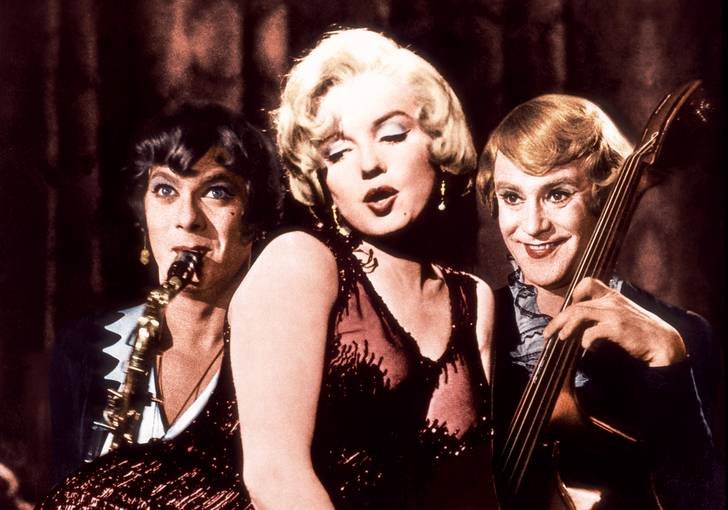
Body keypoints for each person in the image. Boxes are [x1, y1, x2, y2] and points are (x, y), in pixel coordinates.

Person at [228, 28, 498, 509]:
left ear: (437, 143)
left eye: (392, 135)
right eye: (338, 152)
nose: (369, 164)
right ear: (321, 177)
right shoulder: (300, 263)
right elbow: (274, 476)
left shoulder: (473, 300)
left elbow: (468, 488)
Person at [477, 93, 724, 509]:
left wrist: (667, 358)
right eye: (512, 197)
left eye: (558, 194)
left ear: (604, 198)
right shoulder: (473, 318)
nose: (533, 226)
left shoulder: (685, 336)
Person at [43, 103, 282, 507]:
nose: (187, 218)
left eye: (217, 191)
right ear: (143, 215)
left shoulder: (287, 355)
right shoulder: (83, 349)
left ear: (254, 220)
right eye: (166, 190)